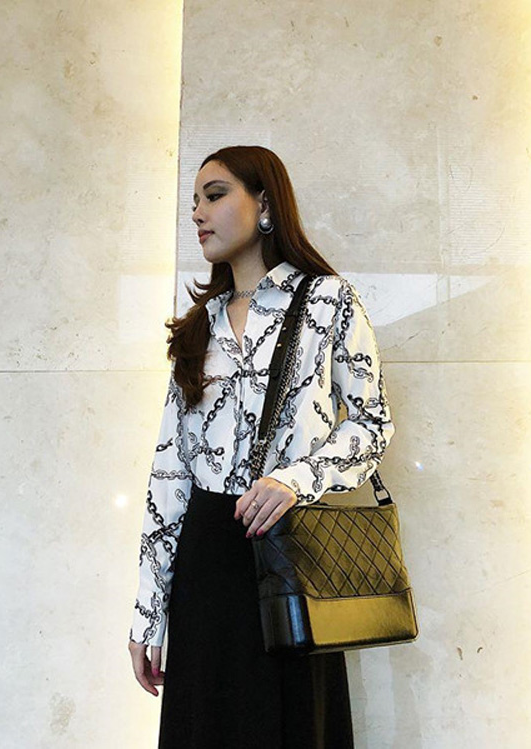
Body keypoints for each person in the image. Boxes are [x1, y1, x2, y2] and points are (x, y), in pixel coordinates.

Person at [128, 145, 396, 748]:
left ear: (265, 203)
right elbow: (170, 472)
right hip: (205, 559)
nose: (198, 213)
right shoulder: (198, 326)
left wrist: (293, 480)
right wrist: (148, 612)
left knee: (292, 725)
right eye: (194, 201)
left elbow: (372, 424)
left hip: (289, 553)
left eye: (215, 195)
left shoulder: (327, 301)